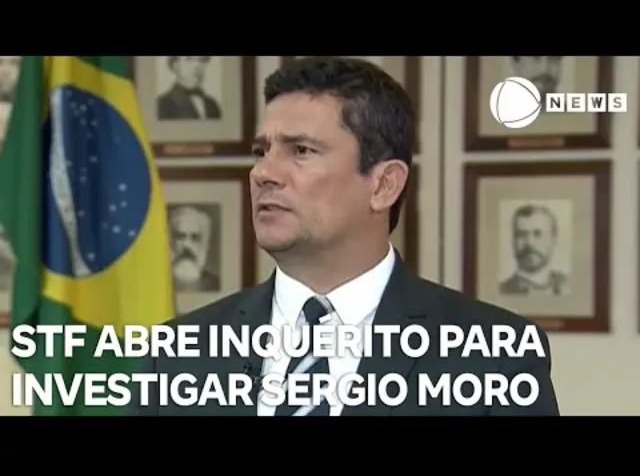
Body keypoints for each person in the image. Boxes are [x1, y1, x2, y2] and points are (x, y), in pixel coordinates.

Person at [129, 57, 559, 416]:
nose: (263, 173)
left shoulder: (495, 356)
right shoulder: (174, 355)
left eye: (301, 151)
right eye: (261, 151)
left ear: (383, 185)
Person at [156, 56, 222, 120]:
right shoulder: (162, 105)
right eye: (189, 59)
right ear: (175, 65)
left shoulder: (212, 105)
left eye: (202, 60)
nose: (197, 65)